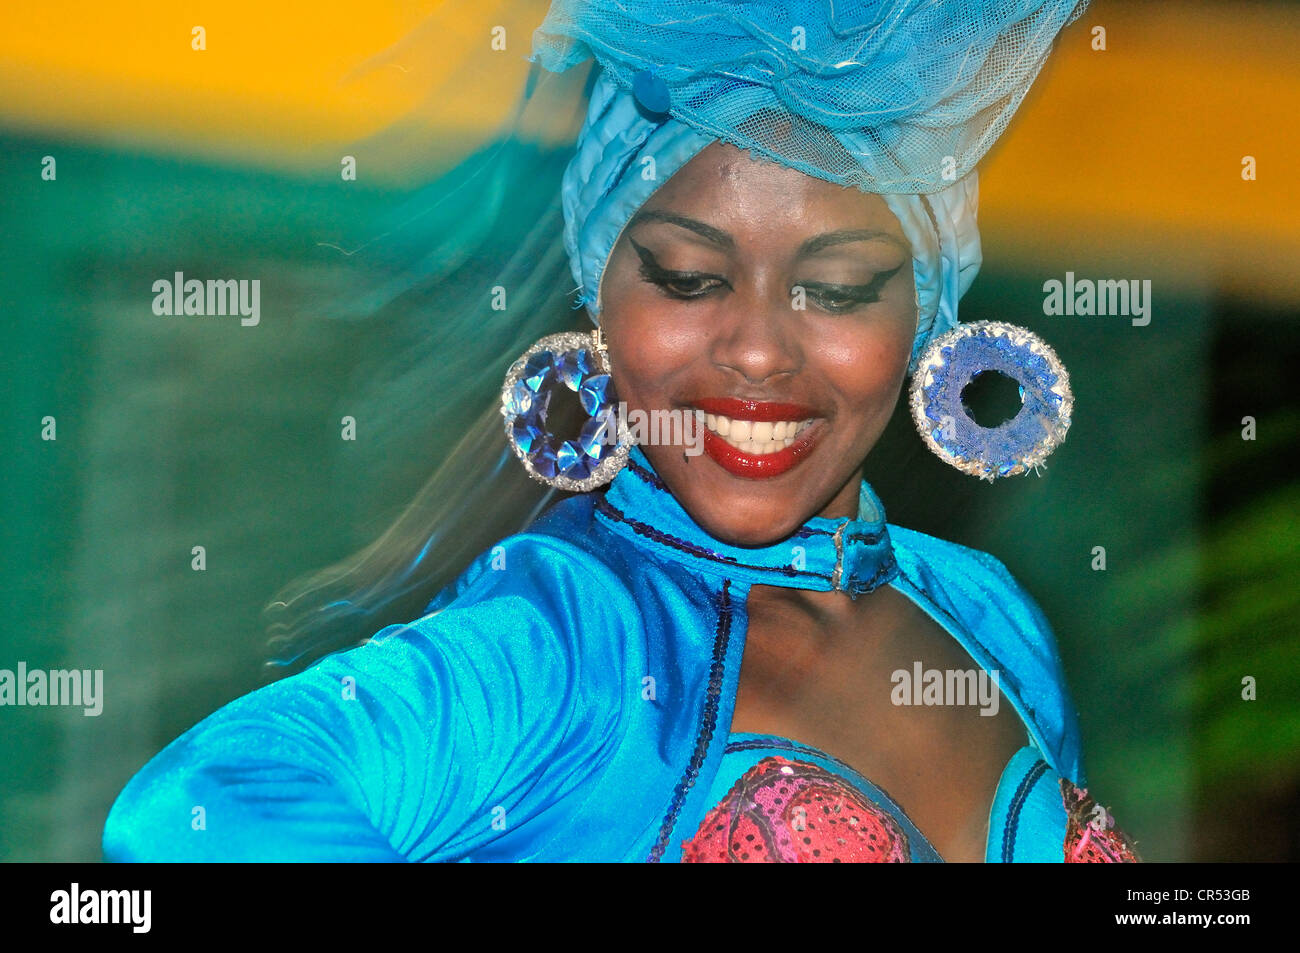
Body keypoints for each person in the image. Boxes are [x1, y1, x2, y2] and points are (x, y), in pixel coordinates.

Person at [102, 0, 1138, 862]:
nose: (759, 350)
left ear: (925, 313)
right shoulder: (572, 639)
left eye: (836, 288)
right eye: (688, 278)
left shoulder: (991, 620)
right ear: (600, 295)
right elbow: (194, 807)